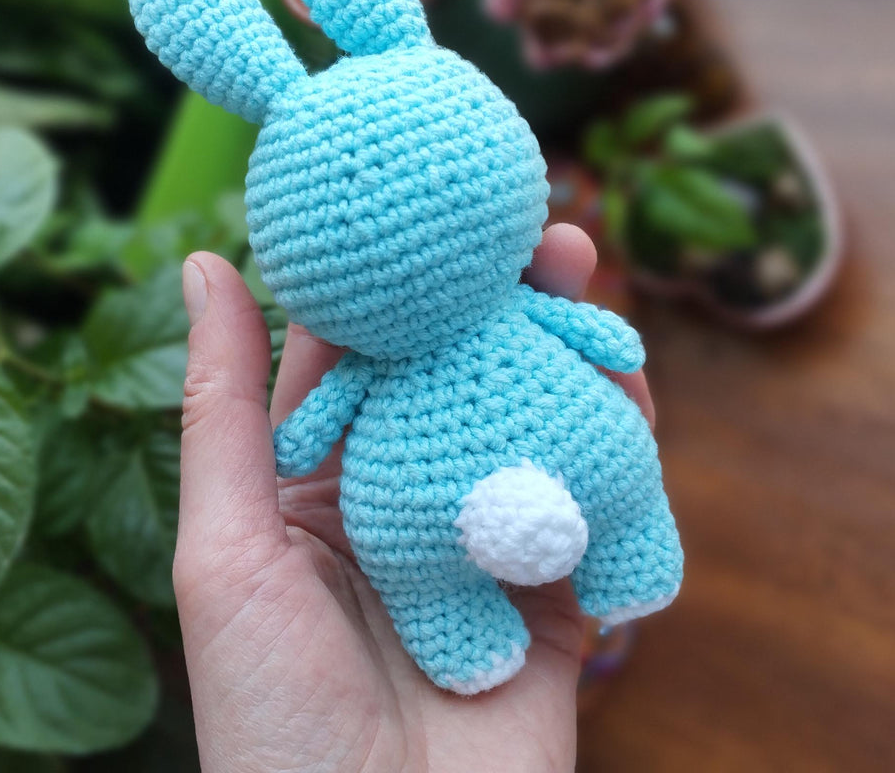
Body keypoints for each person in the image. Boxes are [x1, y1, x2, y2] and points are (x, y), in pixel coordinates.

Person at [173, 223, 657, 772]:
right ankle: (595, 562)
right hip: (558, 440)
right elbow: (613, 343)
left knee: (603, 483)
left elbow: (298, 445)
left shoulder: (389, 353)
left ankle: (610, 551)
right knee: (611, 468)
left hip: (412, 501)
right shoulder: (519, 312)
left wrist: (294, 445)